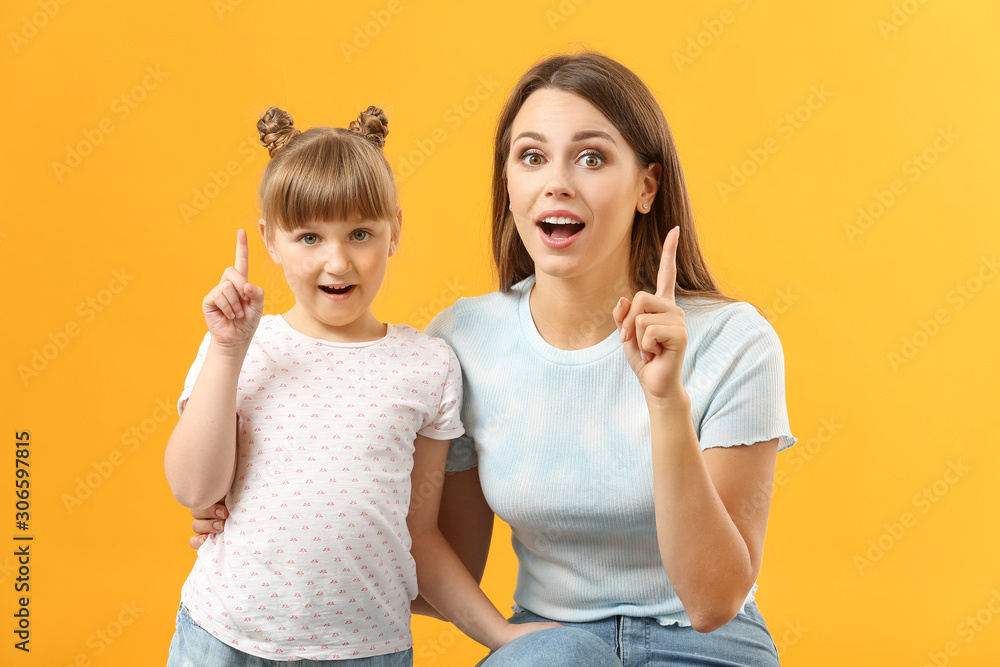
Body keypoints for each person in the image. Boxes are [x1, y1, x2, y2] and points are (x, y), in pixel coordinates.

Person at [192, 52, 796, 666]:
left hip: (706, 647)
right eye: (532, 157)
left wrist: (665, 403)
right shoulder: (463, 342)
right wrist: (262, 522)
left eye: (591, 157)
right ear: (509, 184)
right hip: (549, 646)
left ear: (647, 185)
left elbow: (713, 602)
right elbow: (431, 553)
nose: (556, 181)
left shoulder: (734, 342)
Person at [164, 106, 554, 666]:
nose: (338, 260)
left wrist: (498, 633)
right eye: (309, 237)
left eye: (361, 234)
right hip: (224, 640)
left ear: (394, 231)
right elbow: (194, 490)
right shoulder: (242, 346)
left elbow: (419, 532)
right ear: (271, 240)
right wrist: (228, 350)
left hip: (367, 650)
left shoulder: (427, 366)